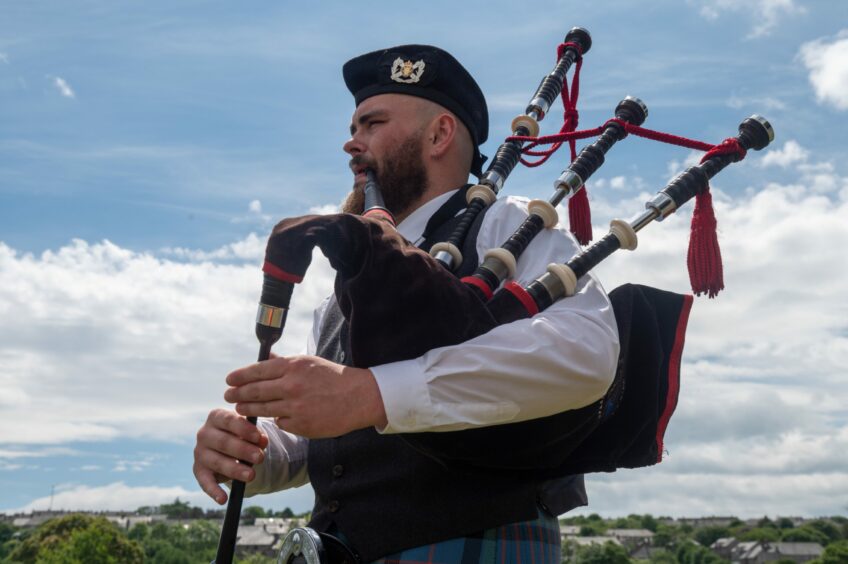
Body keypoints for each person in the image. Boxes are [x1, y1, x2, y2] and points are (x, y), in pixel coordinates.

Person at [193, 44, 619, 563]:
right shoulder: (346, 284)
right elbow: (334, 442)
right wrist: (256, 455)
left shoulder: (506, 225)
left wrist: (371, 394)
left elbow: (585, 353)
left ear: (439, 134)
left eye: (371, 124)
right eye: (354, 128)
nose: (352, 144)